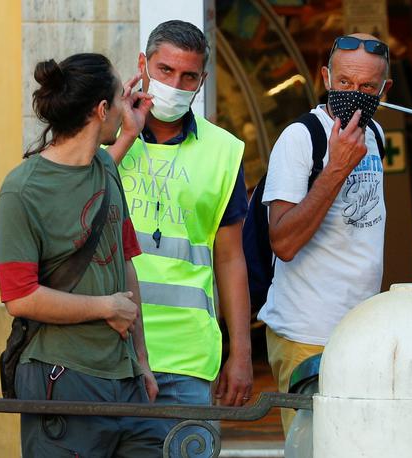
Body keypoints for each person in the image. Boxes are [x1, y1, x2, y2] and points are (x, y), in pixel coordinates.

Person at [0, 53, 161, 456]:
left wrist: (142, 361)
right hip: (62, 378)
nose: (126, 107)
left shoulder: (105, 166)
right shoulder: (22, 190)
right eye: (121, 99)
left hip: (127, 382)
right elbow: (19, 298)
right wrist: (105, 306)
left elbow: (125, 261)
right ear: (102, 109)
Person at [106, 20, 253, 454]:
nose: (175, 84)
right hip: (108, 349)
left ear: (203, 80)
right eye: (165, 70)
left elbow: (230, 258)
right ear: (142, 66)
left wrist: (240, 353)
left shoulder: (224, 151)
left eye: (188, 76)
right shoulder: (100, 134)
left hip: (188, 359)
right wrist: (124, 133)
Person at [257, 33, 393, 434]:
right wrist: (336, 169)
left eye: (368, 86)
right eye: (346, 82)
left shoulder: (376, 136)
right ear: (326, 79)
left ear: (385, 90)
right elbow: (283, 242)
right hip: (306, 334)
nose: (356, 93)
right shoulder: (301, 138)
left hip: (361, 333)